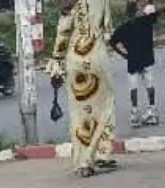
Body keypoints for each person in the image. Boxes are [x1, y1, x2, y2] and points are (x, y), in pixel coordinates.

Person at [48, 0, 119, 177]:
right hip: (97, 58)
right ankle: (102, 154)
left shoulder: (69, 3)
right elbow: (109, 32)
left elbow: (63, 32)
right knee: (105, 108)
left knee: (79, 114)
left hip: (75, 61)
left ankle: (83, 162)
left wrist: (57, 60)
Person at [109, 1, 160, 128]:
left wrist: (123, 54)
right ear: (137, 11)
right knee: (149, 86)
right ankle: (152, 112)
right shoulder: (146, 21)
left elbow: (112, 42)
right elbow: (158, 12)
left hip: (133, 61)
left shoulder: (123, 27)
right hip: (147, 59)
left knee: (133, 89)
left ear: (127, 13)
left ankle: (134, 115)